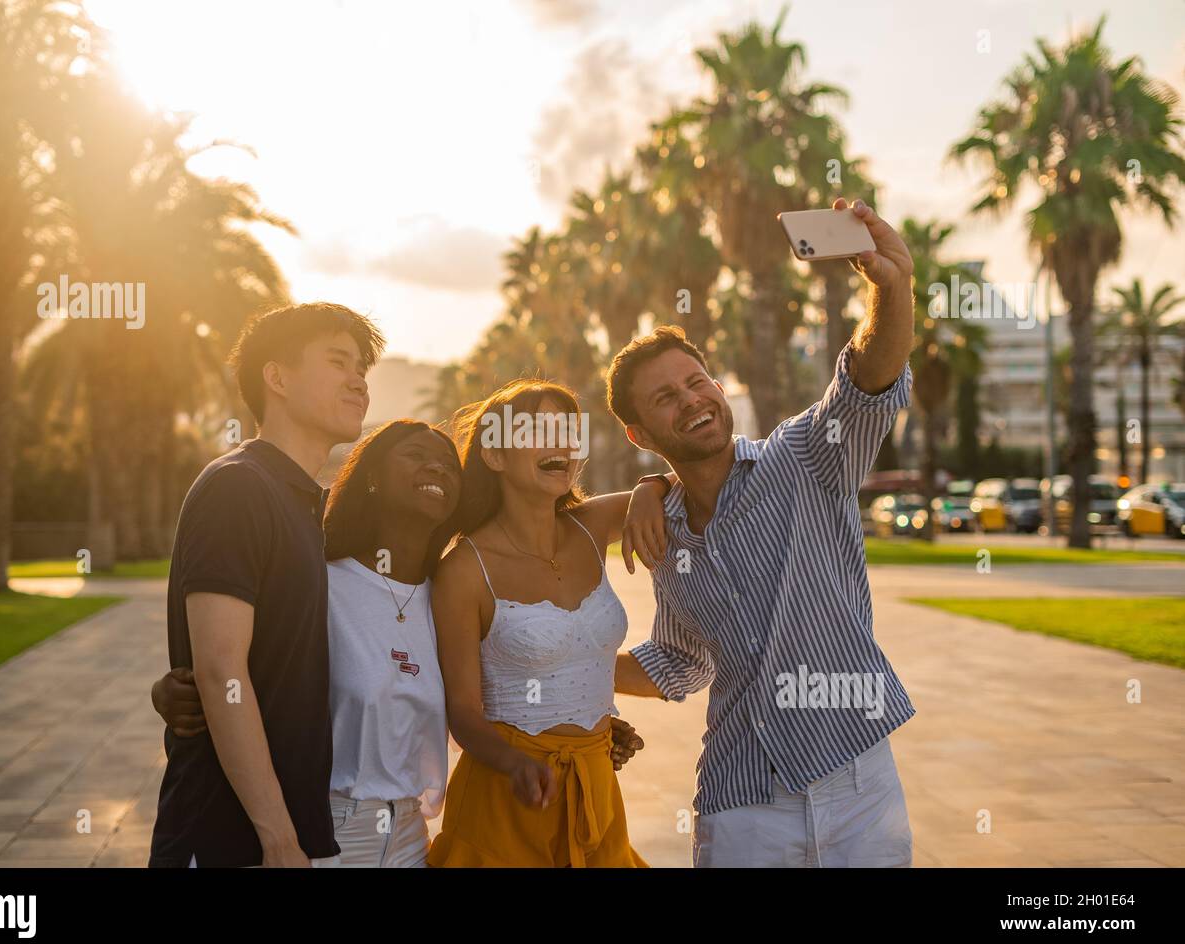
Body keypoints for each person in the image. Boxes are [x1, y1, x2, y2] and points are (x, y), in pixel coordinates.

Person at [151, 418, 649, 866]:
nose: (436, 467)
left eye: (448, 465)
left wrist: (592, 728)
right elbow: (239, 664)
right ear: (370, 475)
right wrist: (172, 692)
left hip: (412, 833)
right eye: (414, 454)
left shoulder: (451, 591)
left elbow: (506, 679)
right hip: (325, 830)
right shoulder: (320, 581)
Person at [611, 198, 918, 868]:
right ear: (638, 434)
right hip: (741, 795)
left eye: (696, 382)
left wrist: (893, 289)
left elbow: (867, 381)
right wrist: (570, 667)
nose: (691, 399)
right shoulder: (664, 537)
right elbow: (680, 661)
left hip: (858, 780)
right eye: (665, 398)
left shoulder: (806, 456)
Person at [147, 302, 384, 868]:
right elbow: (220, 669)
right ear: (276, 377)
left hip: (284, 834)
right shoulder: (239, 488)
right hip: (229, 835)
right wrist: (276, 836)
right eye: (338, 361)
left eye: (363, 370)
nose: (359, 381)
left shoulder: (299, 501)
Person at [426, 379, 664, 867]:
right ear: (494, 455)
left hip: (597, 793)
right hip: (504, 802)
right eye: (540, 429)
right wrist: (514, 762)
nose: (563, 443)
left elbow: (694, 482)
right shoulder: (464, 570)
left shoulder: (593, 525)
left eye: (569, 429)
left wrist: (651, 485)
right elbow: (464, 712)